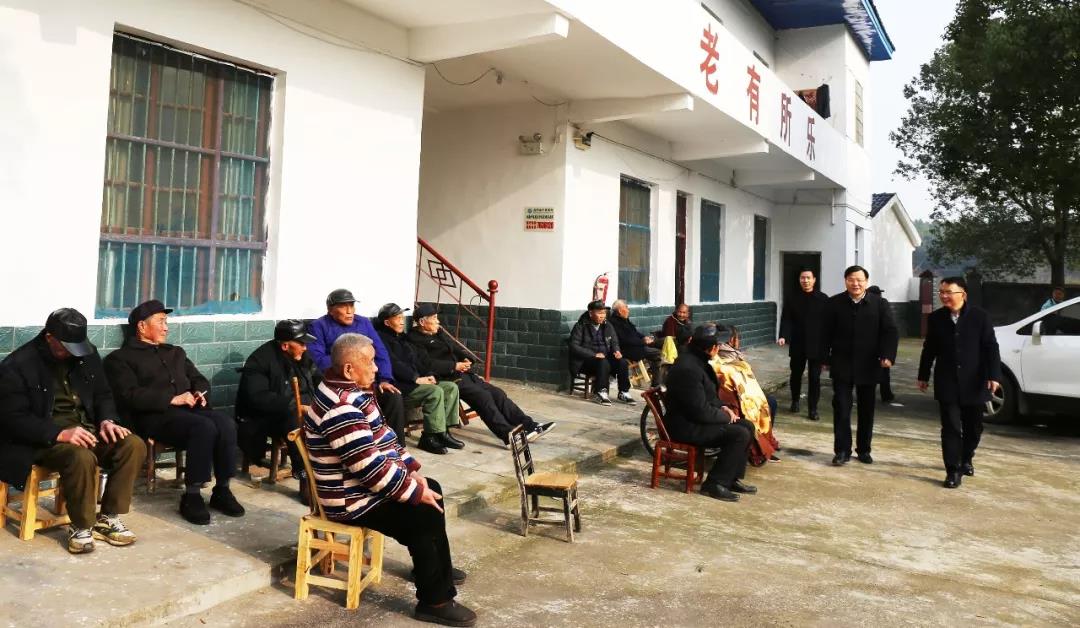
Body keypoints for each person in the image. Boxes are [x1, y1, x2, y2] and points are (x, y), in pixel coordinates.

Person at [305, 333, 476, 626]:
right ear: (349, 369)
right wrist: (412, 491)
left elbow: (385, 437)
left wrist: (411, 471)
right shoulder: (341, 408)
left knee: (431, 488)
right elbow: (369, 469)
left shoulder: (351, 389)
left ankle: (433, 571)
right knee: (422, 512)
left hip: (362, 487)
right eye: (370, 362)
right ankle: (434, 600)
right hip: (349, 499)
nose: (376, 368)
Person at [0, 308, 146, 554]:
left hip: (87, 429)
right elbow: (12, 419)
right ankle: (81, 526)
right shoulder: (18, 365)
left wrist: (107, 420)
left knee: (132, 444)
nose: (71, 353)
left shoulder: (85, 354)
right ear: (49, 337)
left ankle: (108, 517)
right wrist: (59, 434)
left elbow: (103, 394)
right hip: (43, 439)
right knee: (80, 456)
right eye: (66, 347)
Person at [104, 300, 245, 525]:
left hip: (189, 412)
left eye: (166, 322)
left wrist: (199, 392)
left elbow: (199, 379)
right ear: (141, 326)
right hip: (155, 417)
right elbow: (128, 395)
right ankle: (192, 495)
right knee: (203, 427)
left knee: (225, 423)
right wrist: (172, 398)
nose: (166, 328)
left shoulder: (175, 353)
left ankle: (222, 489)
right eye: (161, 322)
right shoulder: (120, 359)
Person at [407, 304, 554, 448]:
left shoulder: (438, 332)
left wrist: (466, 359)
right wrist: (454, 366)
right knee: (483, 397)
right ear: (422, 322)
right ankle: (507, 435)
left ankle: (530, 425)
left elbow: (454, 348)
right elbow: (427, 364)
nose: (438, 321)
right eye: (434, 318)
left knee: (497, 393)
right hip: (447, 378)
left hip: (463, 373)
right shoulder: (414, 340)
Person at [917, 277, 1002, 489]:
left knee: (974, 428)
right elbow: (929, 348)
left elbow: (991, 347)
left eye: (948, 292)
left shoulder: (980, 317)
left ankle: (966, 458)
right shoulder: (936, 318)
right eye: (941, 292)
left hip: (975, 380)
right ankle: (953, 471)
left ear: (962, 294)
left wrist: (994, 375)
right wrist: (923, 375)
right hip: (947, 381)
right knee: (951, 427)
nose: (944, 296)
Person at [663, 323, 756, 503]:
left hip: (695, 419)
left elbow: (709, 396)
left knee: (748, 426)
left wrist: (723, 407)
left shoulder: (698, 361)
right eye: (718, 345)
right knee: (739, 434)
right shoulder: (688, 368)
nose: (719, 348)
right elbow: (699, 411)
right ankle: (714, 483)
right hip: (686, 426)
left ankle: (730, 478)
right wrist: (726, 417)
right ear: (711, 348)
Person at [235, 319, 321, 501]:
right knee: (295, 419)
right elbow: (256, 398)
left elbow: (318, 378)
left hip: (304, 409)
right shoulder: (260, 360)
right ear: (285, 346)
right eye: (301, 343)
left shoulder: (302, 355)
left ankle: (326, 472)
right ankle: (305, 476)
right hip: (267, 417)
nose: (305, 348)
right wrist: (295, 405)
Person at [822, 266, 899, 466]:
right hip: (842, 363)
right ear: (845, 281)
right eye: (851, 279)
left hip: (869, 364)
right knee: (841, 408)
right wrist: (825, 358)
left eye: (859, 280)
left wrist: (888, 355)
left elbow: (890, 331)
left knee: (866, 409)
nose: (855, 284)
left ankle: (864, 449)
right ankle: (842, 451)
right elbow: (824, 332)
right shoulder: (834, 303)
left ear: (866, 281)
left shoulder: (879, 304)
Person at [307, 289, 407, 441]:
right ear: (330, 310)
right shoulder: (318, 326)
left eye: (352, 306)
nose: (349, 311)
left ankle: (397, 445)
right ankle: (364, 444)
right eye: (343, 306)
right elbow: (318, 359)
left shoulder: (364, 323)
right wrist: (349, 361)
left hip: (368, 381)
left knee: (393, 397)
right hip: (341, 385)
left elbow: (380, 352)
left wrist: (385, 379)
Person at [374, 303, 464, 456]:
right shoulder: (381, 339)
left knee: (450, 387)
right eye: (398, 318)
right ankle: (429, 438)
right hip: (401, 385)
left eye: (402, 318)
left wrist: (429, 375)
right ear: (387, 322)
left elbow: (418, 360)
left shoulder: (402, 338)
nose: (402, 321)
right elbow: (394, 365)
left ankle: (443, 432)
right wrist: (416, 379)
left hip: (415, 381)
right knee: (434, 392)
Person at [712, 325, 780, 466]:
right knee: (760, 409)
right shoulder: (720, 359)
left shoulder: (732, 355)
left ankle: (766, 443)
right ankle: (760, 448)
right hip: (731, 397)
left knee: (769, 403)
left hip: (743, 393)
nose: (738, 341)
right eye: (736, 338)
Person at [777, 268, 829, 420]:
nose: (805, 280)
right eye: (802, 278)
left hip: (816, 344)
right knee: (796, 374)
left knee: (815, 377)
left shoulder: (823, 299)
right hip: (798, 342)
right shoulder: (792, 298)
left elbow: (828, 323)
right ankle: (795, 401)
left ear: (814, 280)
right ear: (799, 280)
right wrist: (783, 336)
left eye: (808, 278)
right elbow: (786, 318)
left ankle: (813, 409)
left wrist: (828, 343)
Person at [568, 300, 635, 406]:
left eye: (603, 313)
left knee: (622, 362)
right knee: (603, 362)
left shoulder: (608, 325)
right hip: (585, 361)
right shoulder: (581, 326)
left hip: (604, 359)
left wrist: (617, 351)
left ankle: (623, 392)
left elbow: (614, 342)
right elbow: (574, 346)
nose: (602, 316)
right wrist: (593, 355)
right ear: (591, 313)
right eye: (599, 313)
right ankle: (600, 392)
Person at [609, 299, 662, 387]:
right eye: (626, 307)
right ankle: (656, 384)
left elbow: (635, 332)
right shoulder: (614, 323)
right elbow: (625, 340)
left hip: (636, 346)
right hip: (628, 350)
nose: (628, 310)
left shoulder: (624, 319)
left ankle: (655, 376)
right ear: (620, 310)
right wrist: (643, 342)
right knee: (658, 354)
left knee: (658, 345)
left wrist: (644, 337)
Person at [867, 286, 898, 405]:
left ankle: (880, 394)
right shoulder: (882, 304)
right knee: (884, 373)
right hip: (881, 345)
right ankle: (886, 394)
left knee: (873, 372)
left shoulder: (872, 305)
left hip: (874, 345)